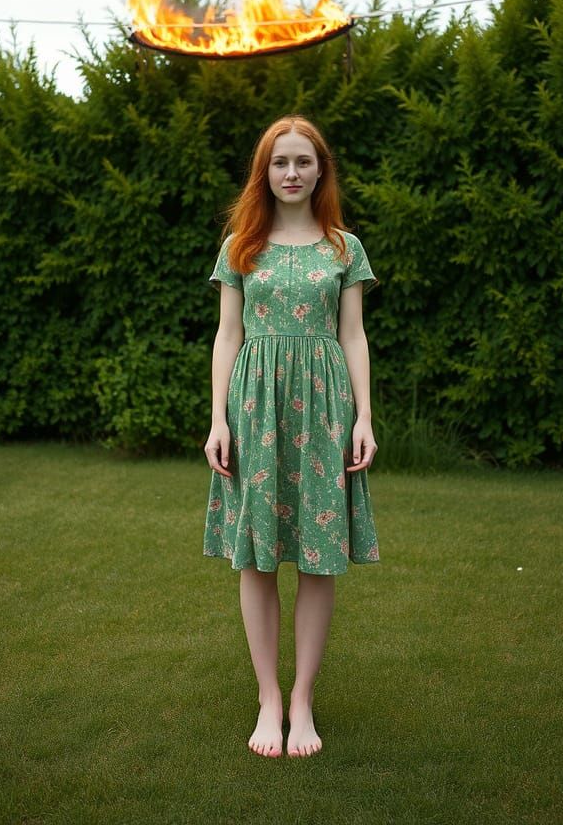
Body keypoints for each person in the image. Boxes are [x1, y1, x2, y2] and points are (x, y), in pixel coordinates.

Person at [203, 114, 380, 759]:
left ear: (321, 169)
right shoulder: (241, 246)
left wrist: (364, 417)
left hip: (324, 409)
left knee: (317, 551)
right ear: (264, 171)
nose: (292, 172)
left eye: (304, 161)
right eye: (280, 162)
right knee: (255, 553)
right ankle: (268, 699)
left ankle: (302, 698)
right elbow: (228, 334)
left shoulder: (343, 248)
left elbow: (353, 334)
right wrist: (218, 419)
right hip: (255, 407)